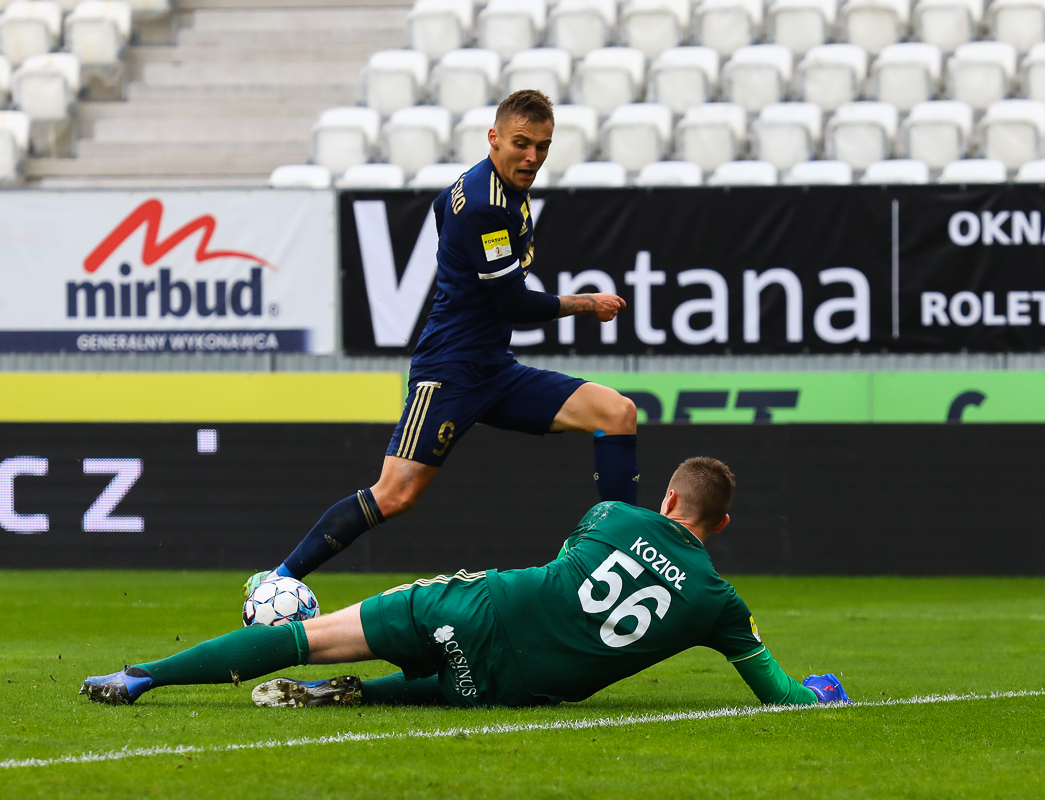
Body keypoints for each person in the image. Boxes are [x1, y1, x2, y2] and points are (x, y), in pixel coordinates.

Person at [242, 89, 640, 594]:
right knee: (395, 494)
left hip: (495, 367)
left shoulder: (489, 185)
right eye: (522, 143)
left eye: (543, 145)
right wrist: (586, 304)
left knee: (617, 413)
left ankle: (623, 554)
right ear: (493, 138)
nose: (533, 157)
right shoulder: (483, 205)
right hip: (449, 370)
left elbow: (439, 208)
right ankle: (277, 580)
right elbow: (512, 303)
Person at [82, 457, 851, 709]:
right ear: (718, 527)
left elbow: (570, 563)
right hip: (512, 683)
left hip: (474, 605)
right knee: (471, 680)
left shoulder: (614, 514)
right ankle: (363, 694)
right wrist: (820, 691)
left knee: (297, 637)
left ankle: (141, 675)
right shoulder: (721, 604)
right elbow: (779, 695)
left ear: (672, 502)